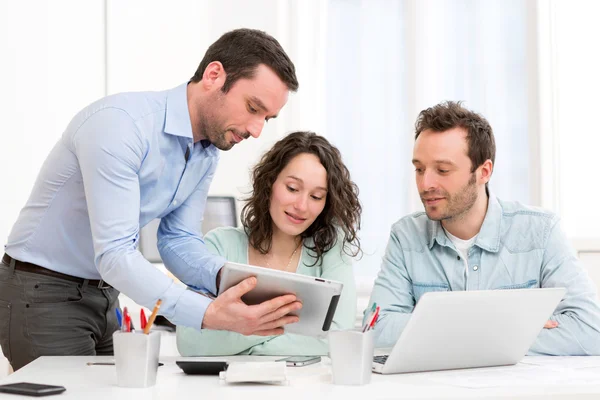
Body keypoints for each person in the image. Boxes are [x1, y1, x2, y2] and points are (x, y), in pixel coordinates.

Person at [0, 28, 301, 371]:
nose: (257, 129)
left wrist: (234, 283)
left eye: (267, 118)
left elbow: (177, 239)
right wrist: (207, 313)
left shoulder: (206, 152)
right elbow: (115, 253)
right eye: (253, 108)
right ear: (214, 75)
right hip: (42, 292)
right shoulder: (121, 125)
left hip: (105, 295)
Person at [368, 101, 600, 355]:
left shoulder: (540, 231)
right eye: (419, 169)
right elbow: (377, 331)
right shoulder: (406, 236)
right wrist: (504, 328)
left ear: (484, 172)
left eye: (442, 170)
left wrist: (443, 331)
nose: (426, 183)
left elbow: (589, 331)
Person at [177, 131, 362, 356]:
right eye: (292, 188)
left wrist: (241, 337)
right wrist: (294, 333)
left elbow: (339, 338)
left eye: (316, 197)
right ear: (270, 182)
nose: (302, 206)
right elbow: (189, 340)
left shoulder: (330, 247)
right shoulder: (220, 245)